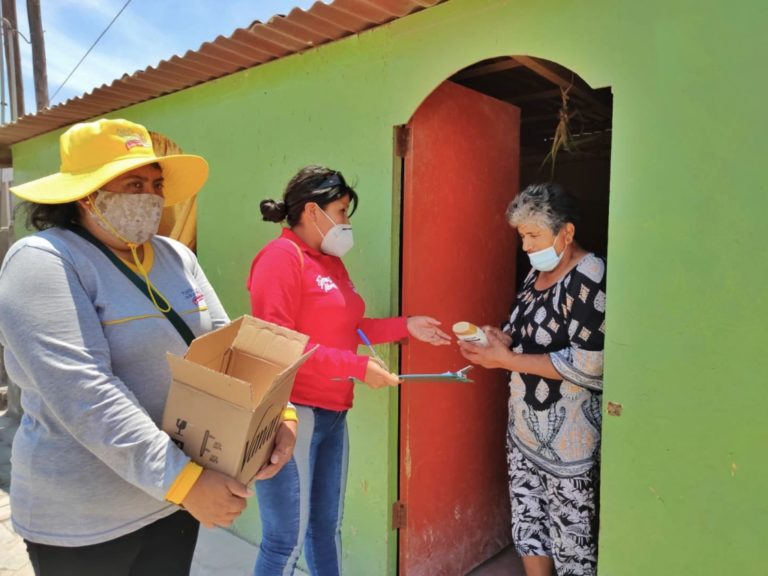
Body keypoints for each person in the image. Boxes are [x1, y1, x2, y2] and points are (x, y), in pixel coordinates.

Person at [0, 118, 296, 576]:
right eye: (134, 183)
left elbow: (231, 349)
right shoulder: (43, 261)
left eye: (156, 184)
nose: (151, 197)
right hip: (87, 521)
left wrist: (280, 415)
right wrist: (185, 481)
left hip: (172, 506)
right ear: (86, 193)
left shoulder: (178, 257)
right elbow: (85, 395)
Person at [247, 165, 451, 575]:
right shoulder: (280, 258)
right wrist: (357, 367)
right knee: (283, 541)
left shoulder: (330, 264)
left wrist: (405, 326)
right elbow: (277, 344)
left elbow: (350, 327)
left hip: (333, 414)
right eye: (341, 212)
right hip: (292, 414)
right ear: (311, 211)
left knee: (325, 530)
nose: (346, 223)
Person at [459, 182, 606, 576]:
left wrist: (506, 360)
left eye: (533, 235)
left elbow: (591, 365)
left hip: (571, 440)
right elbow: (520, 334)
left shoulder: (591, 274)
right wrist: (496, 339)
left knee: (573, 535)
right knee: (529, 520)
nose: (525, 246)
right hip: (524, 430)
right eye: (522, 236)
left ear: (567, 232)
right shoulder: (533, 276)